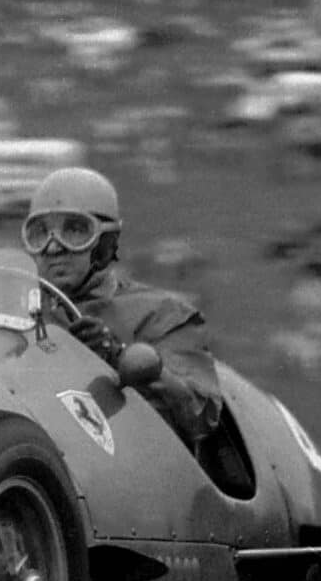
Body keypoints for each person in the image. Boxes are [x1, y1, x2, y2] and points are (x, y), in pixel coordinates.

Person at [21, 166, 226, 454]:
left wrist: (117, 356)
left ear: (106, 242)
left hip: (132, 467)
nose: (53, 248)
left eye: (76, 231)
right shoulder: (16, 312)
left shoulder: (163, 315)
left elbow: (200, 417)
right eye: (40, 234)